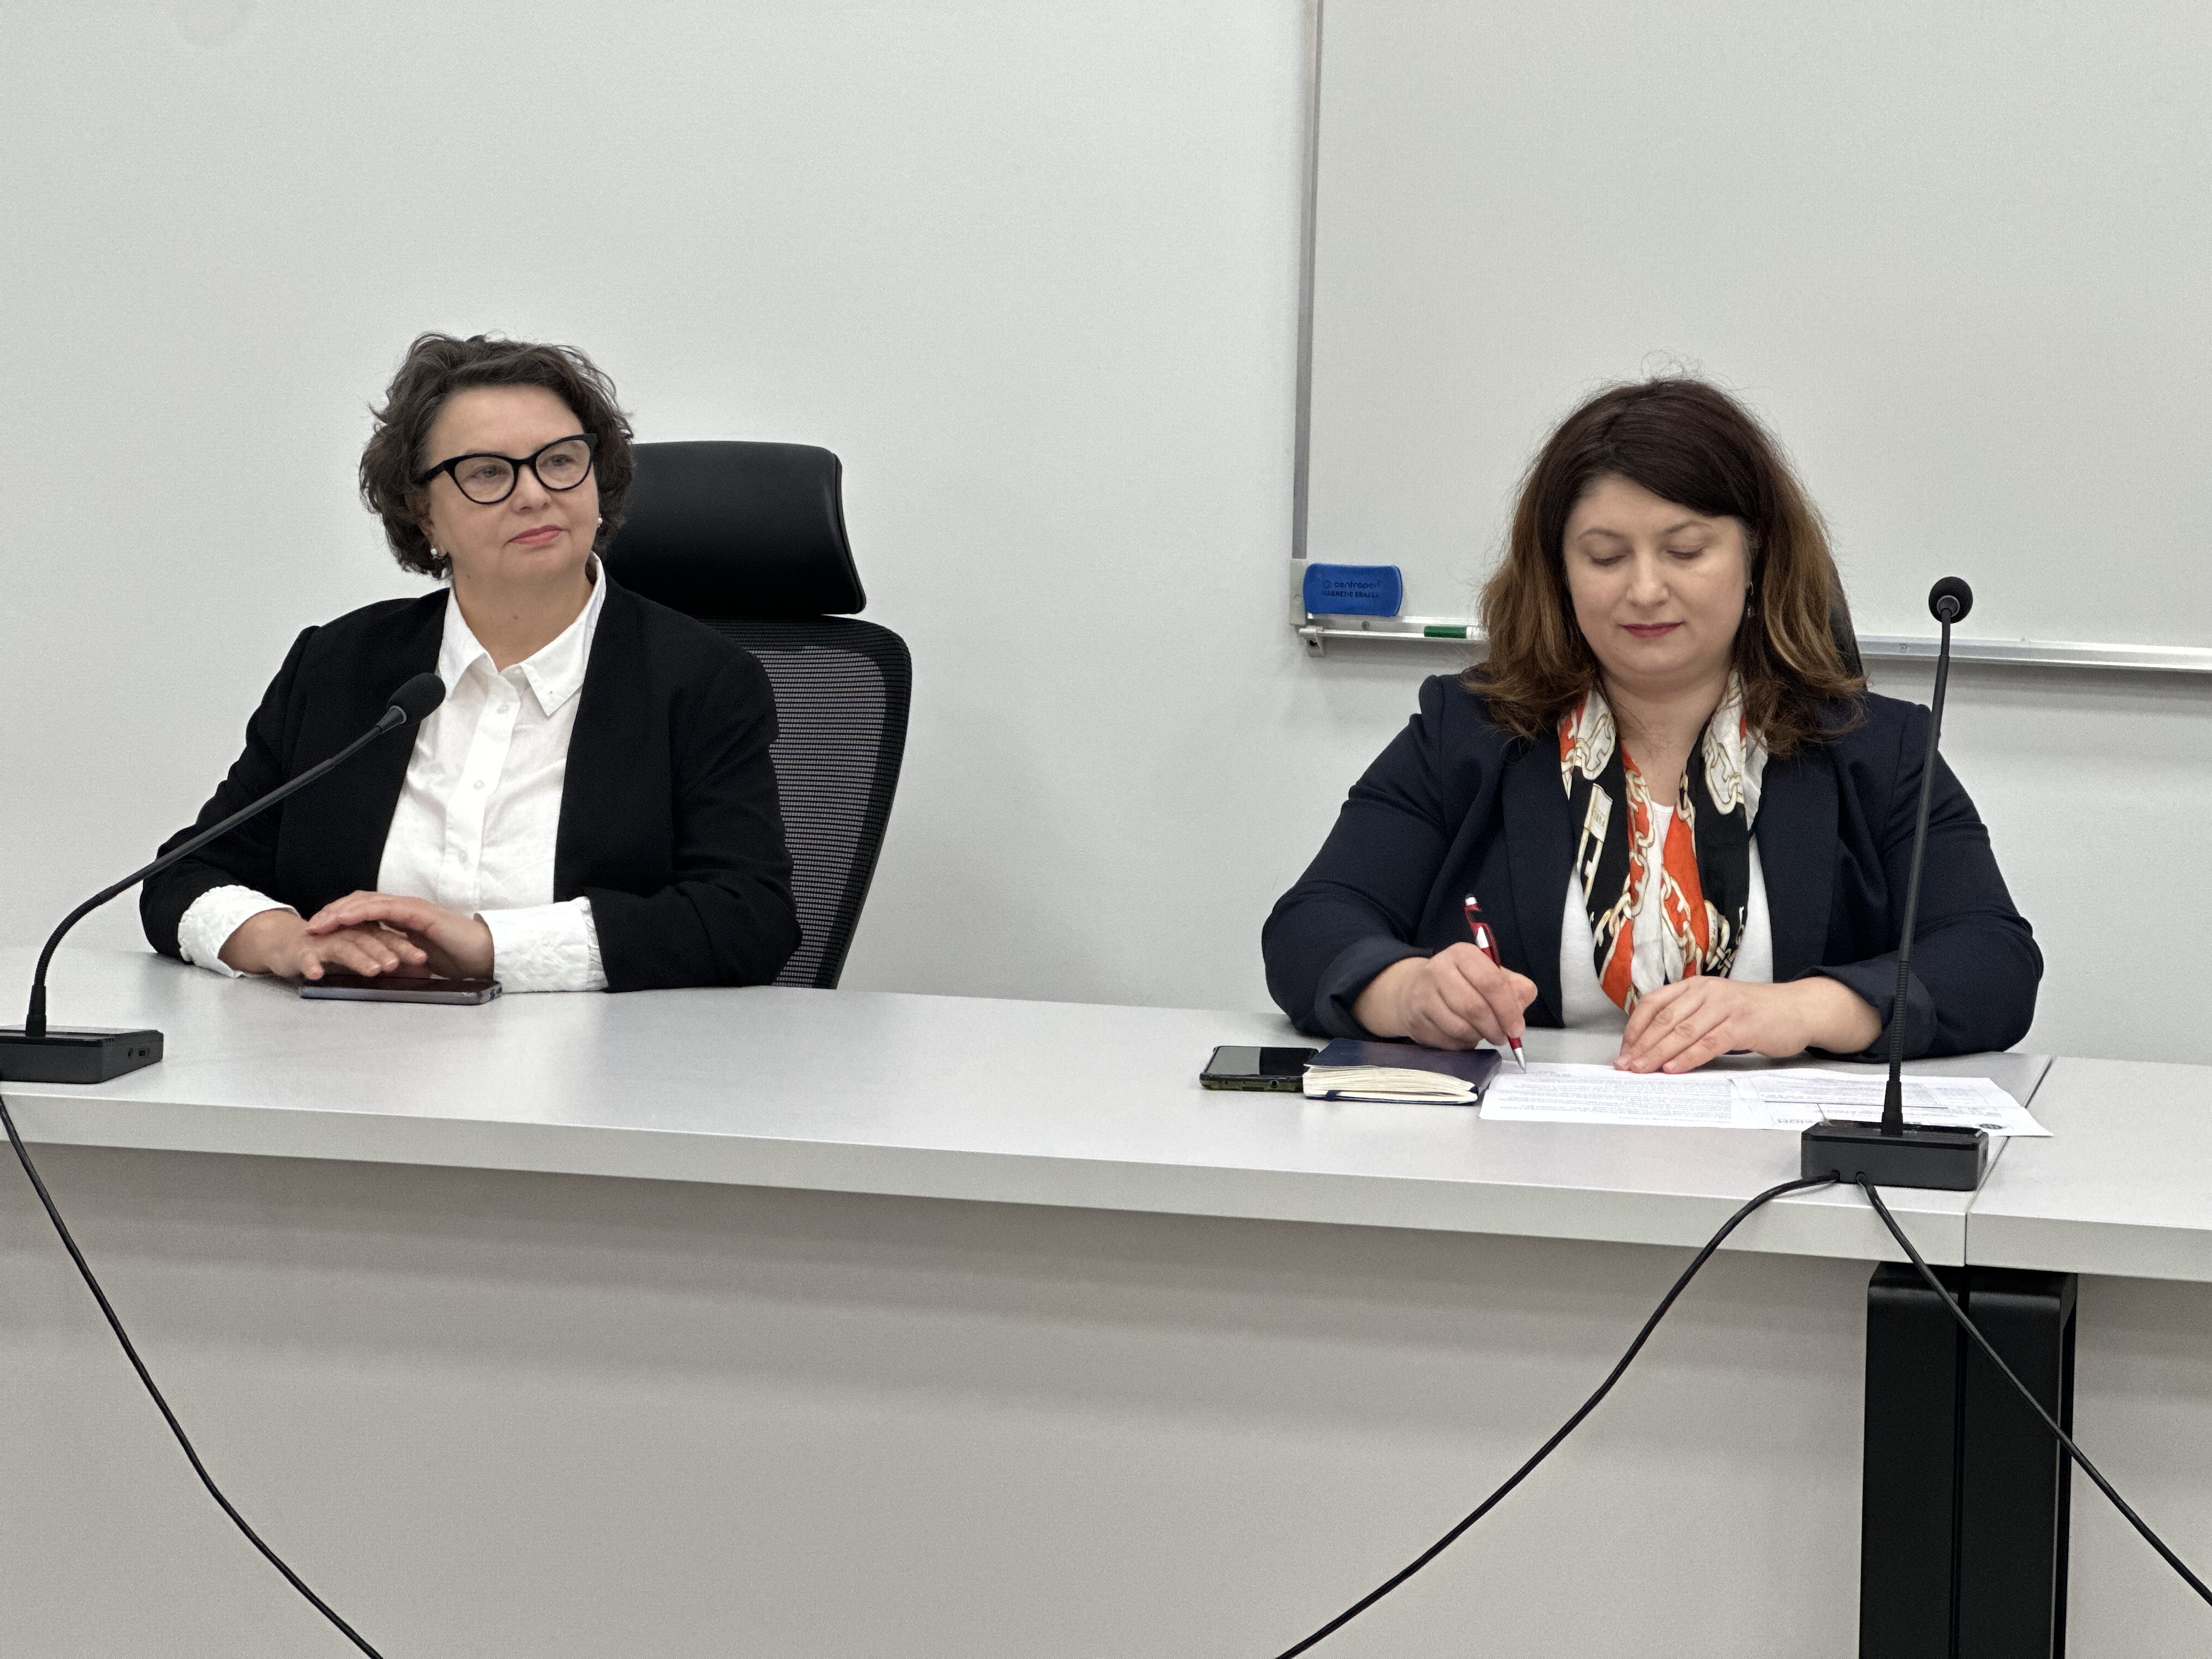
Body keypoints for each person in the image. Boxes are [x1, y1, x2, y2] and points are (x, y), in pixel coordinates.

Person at [1264, 378, 2039, 1071]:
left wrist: (1803, 1011)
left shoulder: (1877, 751)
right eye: (1605, 558)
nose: (1644, 590)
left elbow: (1994, 961)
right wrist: (1405, 991)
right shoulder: (1466, 734)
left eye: (1686, 551)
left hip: (1784, 1162)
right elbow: (1310, 925)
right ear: (1560, 573)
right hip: (1525, 1154)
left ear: (1757, 557)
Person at [140, 332, 801, 992]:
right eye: (488, 472)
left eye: (560, 461)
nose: (534, 494)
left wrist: (491, 948)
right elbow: (184, 876)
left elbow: (749, 919)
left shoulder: (701, 681)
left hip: (603, 1052)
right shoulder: (340, 667)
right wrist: (285, 941)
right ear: (424, 513)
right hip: (350, 1045)